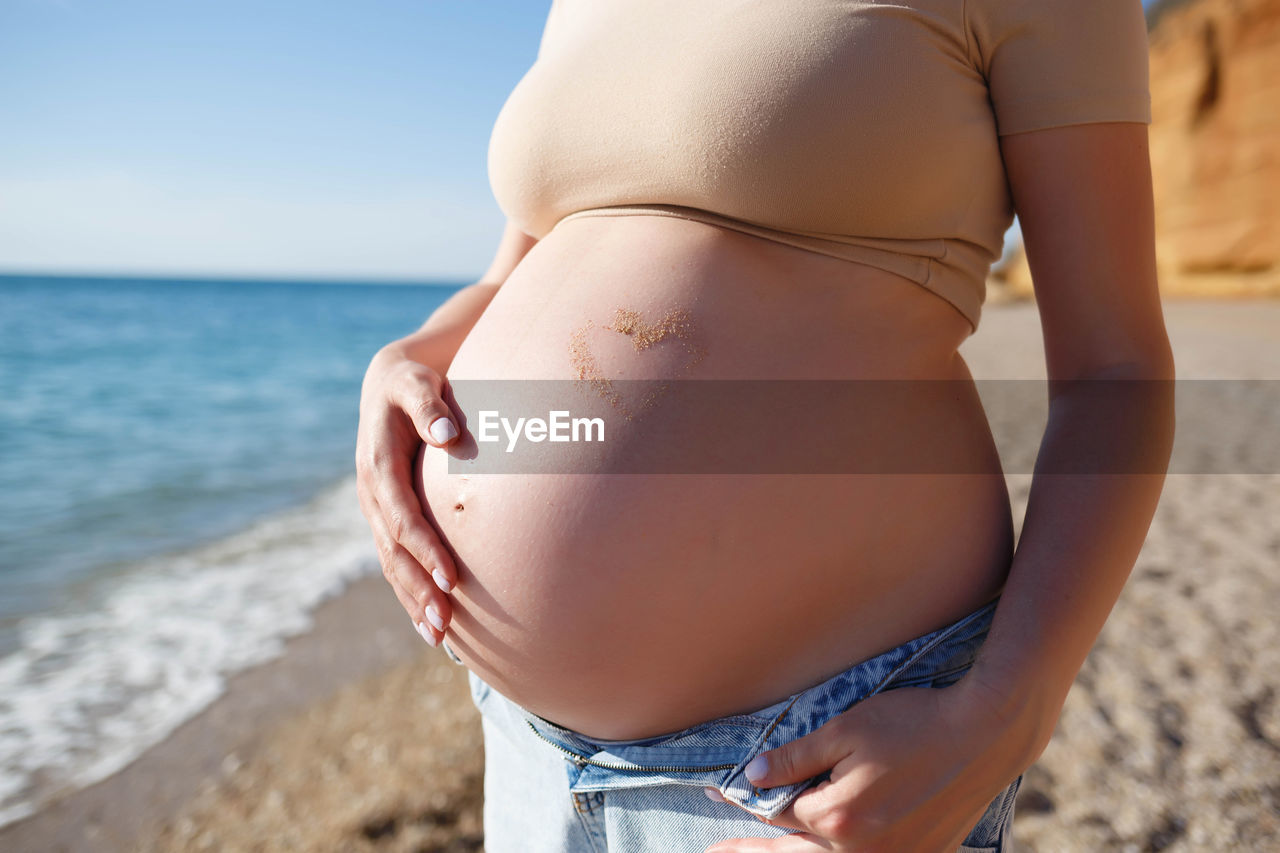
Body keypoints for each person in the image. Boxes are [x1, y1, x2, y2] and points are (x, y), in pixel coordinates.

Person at [355, 0, 1175, 850]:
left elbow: (1115, 374)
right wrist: (406, 354)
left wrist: (1008, 711)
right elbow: (516, 270)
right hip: (524, 731)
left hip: (813, 751)